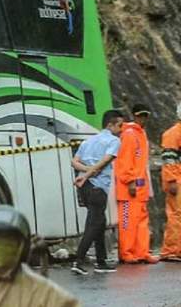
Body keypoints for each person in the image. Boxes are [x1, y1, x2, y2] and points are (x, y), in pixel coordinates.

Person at [70, 109, 123, 274]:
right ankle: (78, 261)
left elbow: (74, 162)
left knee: (99, 221)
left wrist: (85, 172)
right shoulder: (114, 141)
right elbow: (105, 161)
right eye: (119, 126)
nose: (121, 129)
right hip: (98, 188)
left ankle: (101, 261)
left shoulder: (88, 141)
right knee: (94, 224)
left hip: (85, 188)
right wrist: (90, 172)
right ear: (110, 125)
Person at [116, 103, 157, 264]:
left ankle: (142, 252)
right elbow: (125, 161)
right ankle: (127, 253)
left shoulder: (141, 134)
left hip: (141, 188)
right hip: (129, 188)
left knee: (141, 222)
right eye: (140, 115)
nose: (143, 118)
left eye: (145, 115)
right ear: (134, 115)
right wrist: (130, 181)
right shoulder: (129, 134)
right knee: (128, 223)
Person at [163, 102, 181, 261]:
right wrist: (172, 180)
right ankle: (172, 250)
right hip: (177, 180)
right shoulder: (172, 133)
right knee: (176, 215)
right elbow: (169, 159)